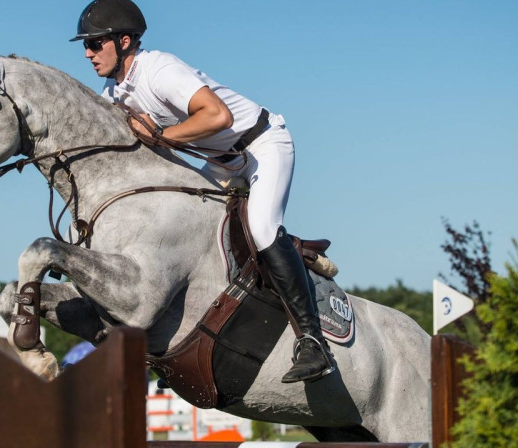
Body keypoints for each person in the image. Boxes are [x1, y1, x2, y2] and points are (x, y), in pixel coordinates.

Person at [70, 0, 334, 383]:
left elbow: (218, 116)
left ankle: (312, 341)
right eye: (86, 46)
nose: (88, 53)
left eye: (95, 44)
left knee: (260, 229)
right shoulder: (115, 94)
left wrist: (160, 136)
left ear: (123, 41)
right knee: (188, 227)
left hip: (259, 146)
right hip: (221, 164)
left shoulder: (158, 70)